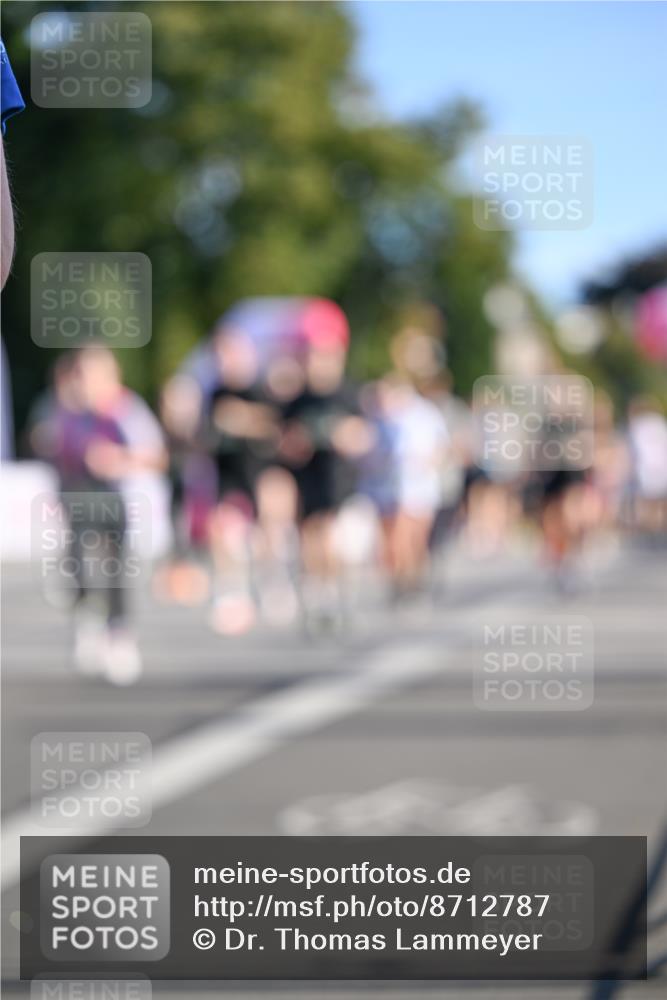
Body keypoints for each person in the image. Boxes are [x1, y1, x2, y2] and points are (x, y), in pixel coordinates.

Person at [45, 345, 167, 683]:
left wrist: (118, 459)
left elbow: (157, 456)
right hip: (80, 496)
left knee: (116, 569)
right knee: (78, 561)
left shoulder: (126, 410)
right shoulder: (68, 412)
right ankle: (87, 616)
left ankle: (119, 633)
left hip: (117, 497)